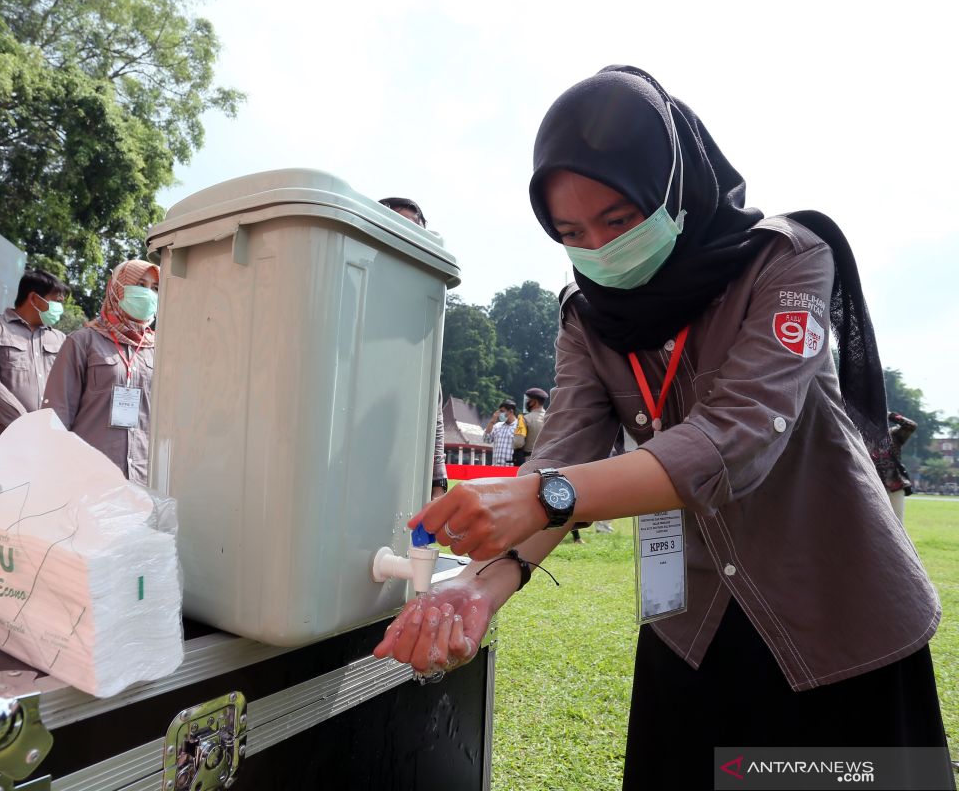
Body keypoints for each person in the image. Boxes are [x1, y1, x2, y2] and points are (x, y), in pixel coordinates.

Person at [374, 66, 949, 788]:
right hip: (694, 627)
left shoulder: (789, 259)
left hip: (838, 624)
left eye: (618, 220)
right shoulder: (587, 319)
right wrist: (482, 588)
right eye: (571, 233)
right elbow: (566, 453)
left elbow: (736, 439)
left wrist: (546, 493)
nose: (600, 249)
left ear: (673, 188)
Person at [43, 260, 158, 482]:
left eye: (154, 288)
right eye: (141, 285)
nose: (148, 294)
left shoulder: (160, 350)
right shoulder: (83, 342)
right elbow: (57, 414)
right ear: (117, 288)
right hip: (88, 477)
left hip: (142, 478)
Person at [378, 196, 449, 501]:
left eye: (414, 230)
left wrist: (438, 479)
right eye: (395, 227)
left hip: (403, 465)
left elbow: (433, 406)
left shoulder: (425, 313)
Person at [0, 268, 68, 461]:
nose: (60, 308)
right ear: (34, 299)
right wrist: (25, 426)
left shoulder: (60, 339)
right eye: (57, 301)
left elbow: (66, 390)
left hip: (44, 446)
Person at [870, 411, 918, 523]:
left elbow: (910, 425)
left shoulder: (894, 434)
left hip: (895, 486)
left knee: (897, 525)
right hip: (873, 486)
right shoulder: (860, 437)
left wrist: (888, 413)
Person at [516, 387, 549, 466]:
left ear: (534, 401)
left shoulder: (524, 419)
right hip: (548, 460)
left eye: (528, 400)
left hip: (529, 460)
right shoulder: (550, 418)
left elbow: (518, 442)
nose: (526, 402)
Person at [482, 400, 519, 467]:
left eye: (502, 411)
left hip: (511, 467)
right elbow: (486, 439)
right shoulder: (497, 426)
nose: (499, 414)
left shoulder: (519, 427)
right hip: (496, 467)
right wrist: (492, 422)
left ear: (511, 411)